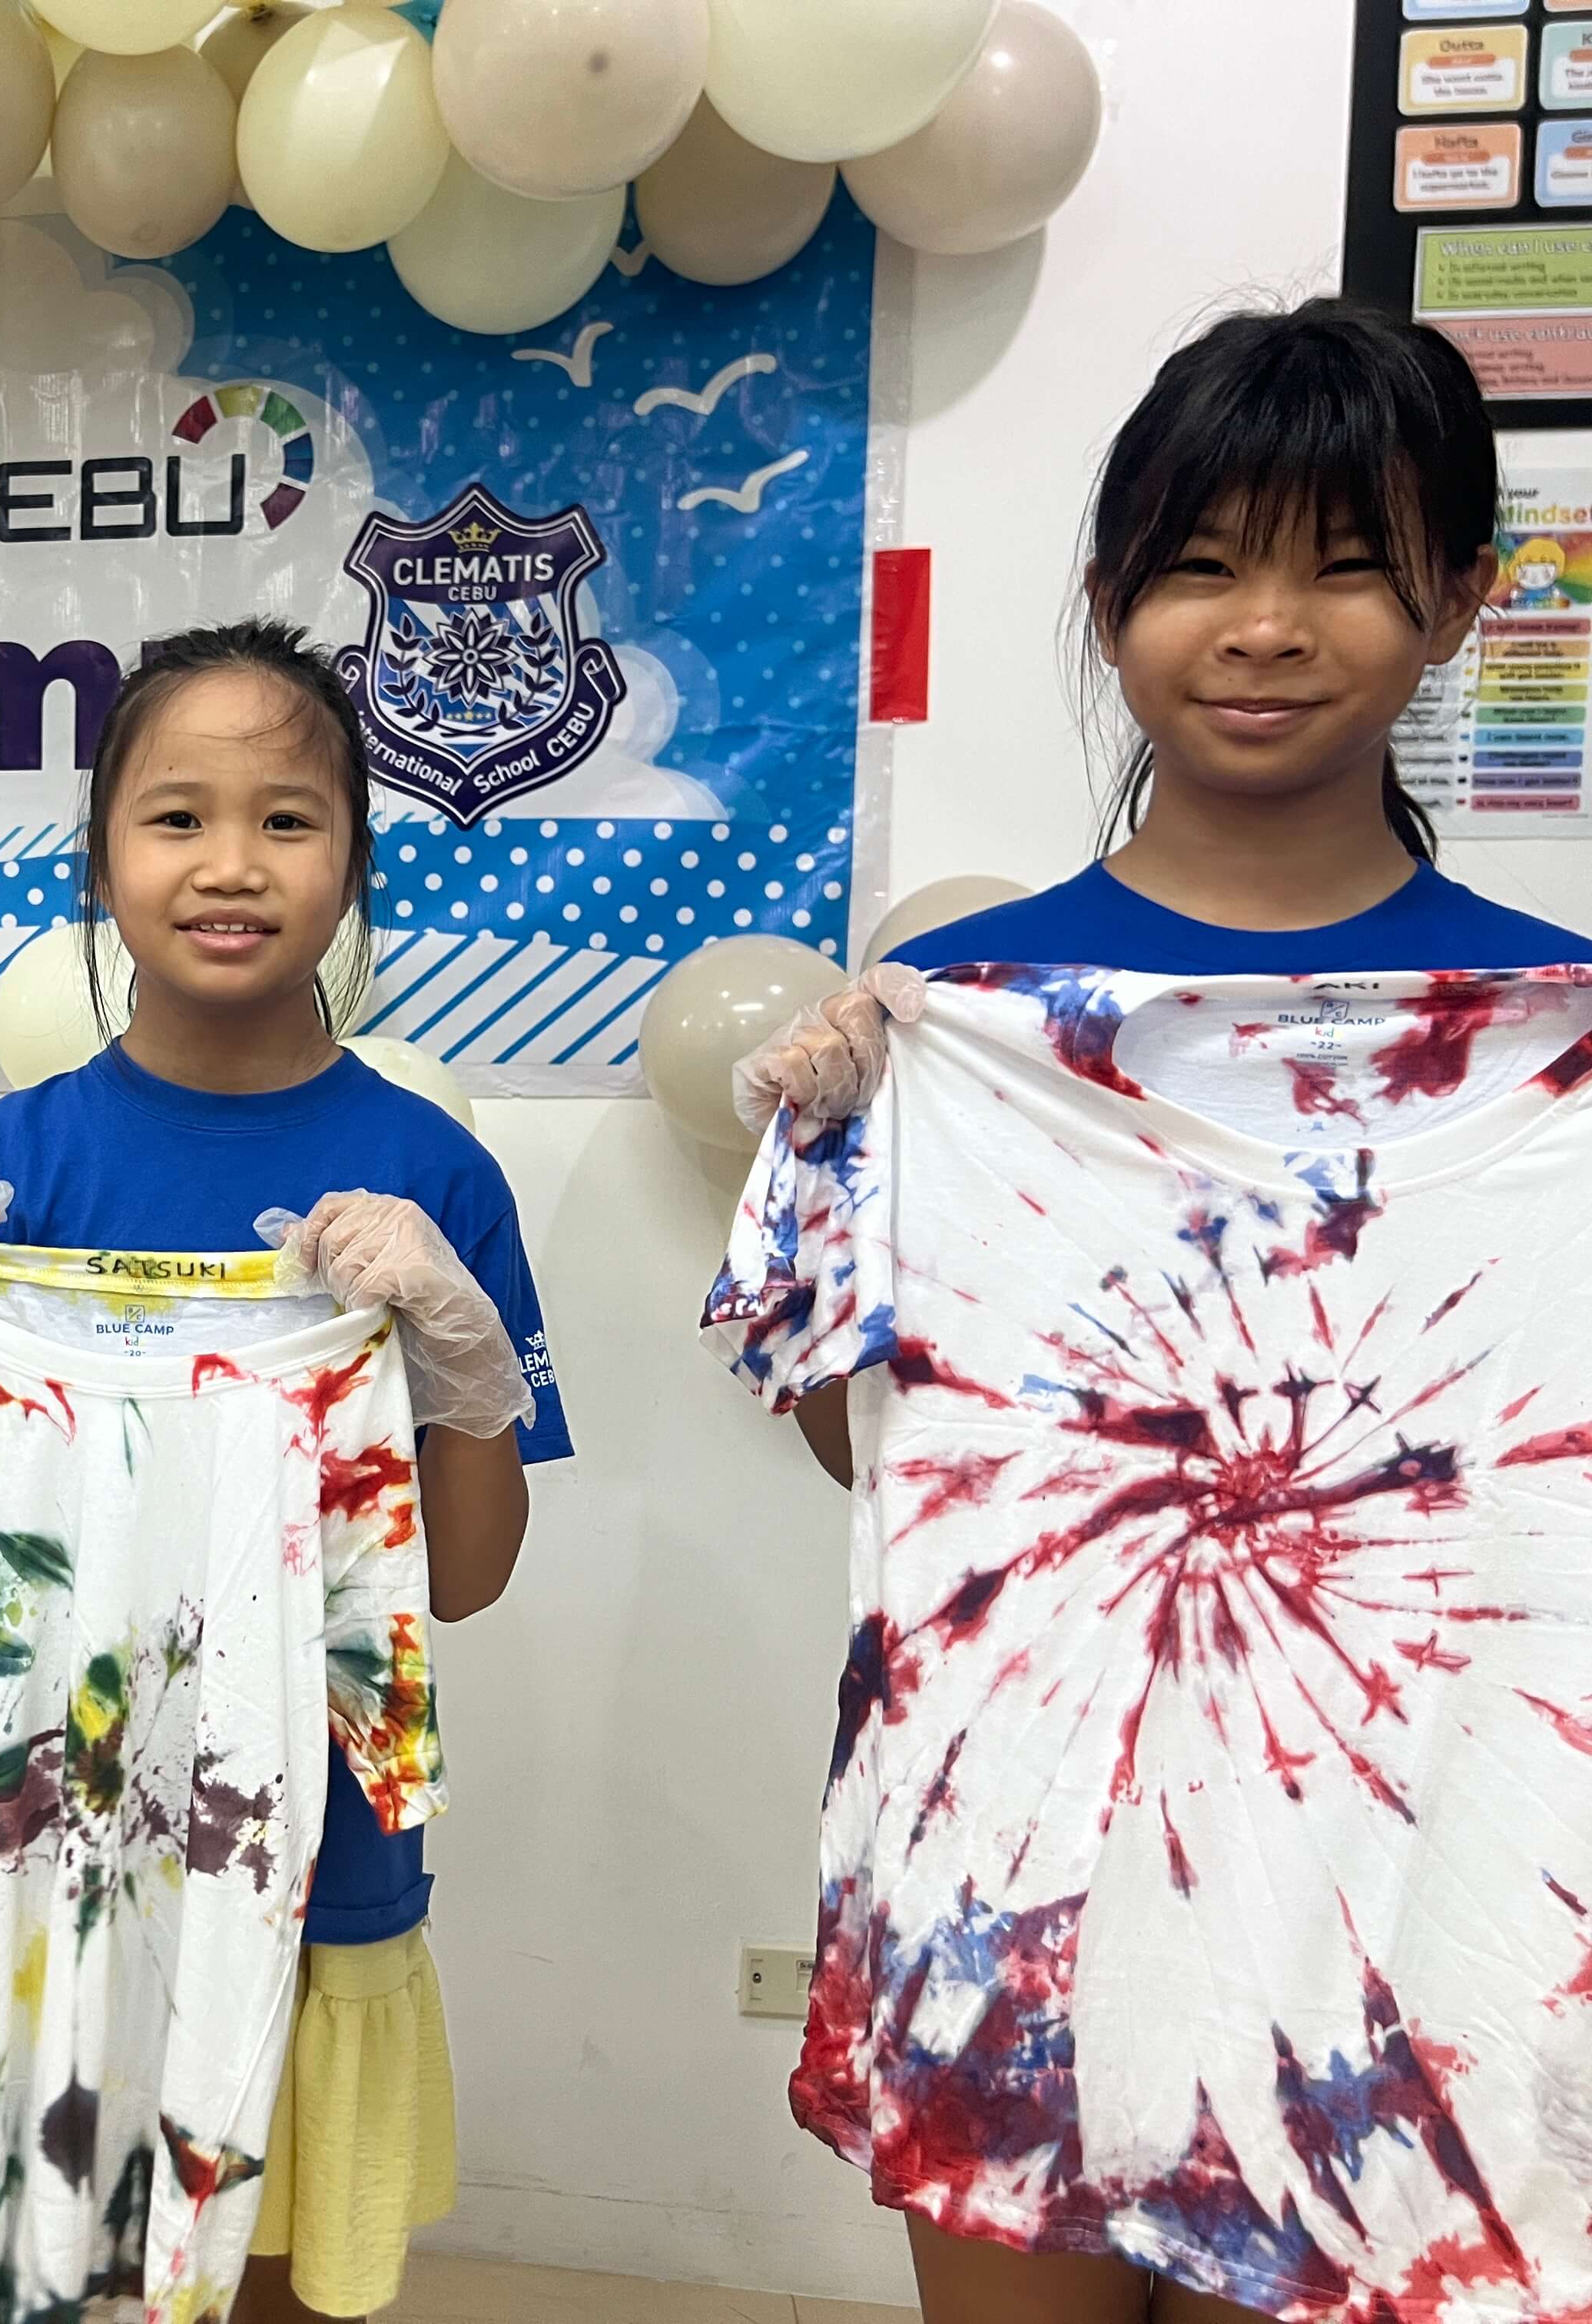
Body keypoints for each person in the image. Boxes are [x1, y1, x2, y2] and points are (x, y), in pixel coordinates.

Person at [732, 297, 1587, 2321]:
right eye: (1203, 565)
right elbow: (863, 1444)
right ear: (1112, 601)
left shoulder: (1555, 1045)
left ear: (1464, 599)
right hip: (1021, 1866)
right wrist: (849, 1148)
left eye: (1348, 566)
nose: (1265, 629)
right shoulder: (962, 1020)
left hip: (1417, 1876)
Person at [0, 616, 569, 2324]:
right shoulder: (15, 1161)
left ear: (355, 860)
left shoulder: (431, 1177)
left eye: (288, 819)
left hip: (318, 1842)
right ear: (100, 856)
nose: (232, 864)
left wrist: (461, 1362)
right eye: (177, 817)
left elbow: (465, 1575)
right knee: (54, 2266)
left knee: (274, 2275)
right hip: (61, 1838)